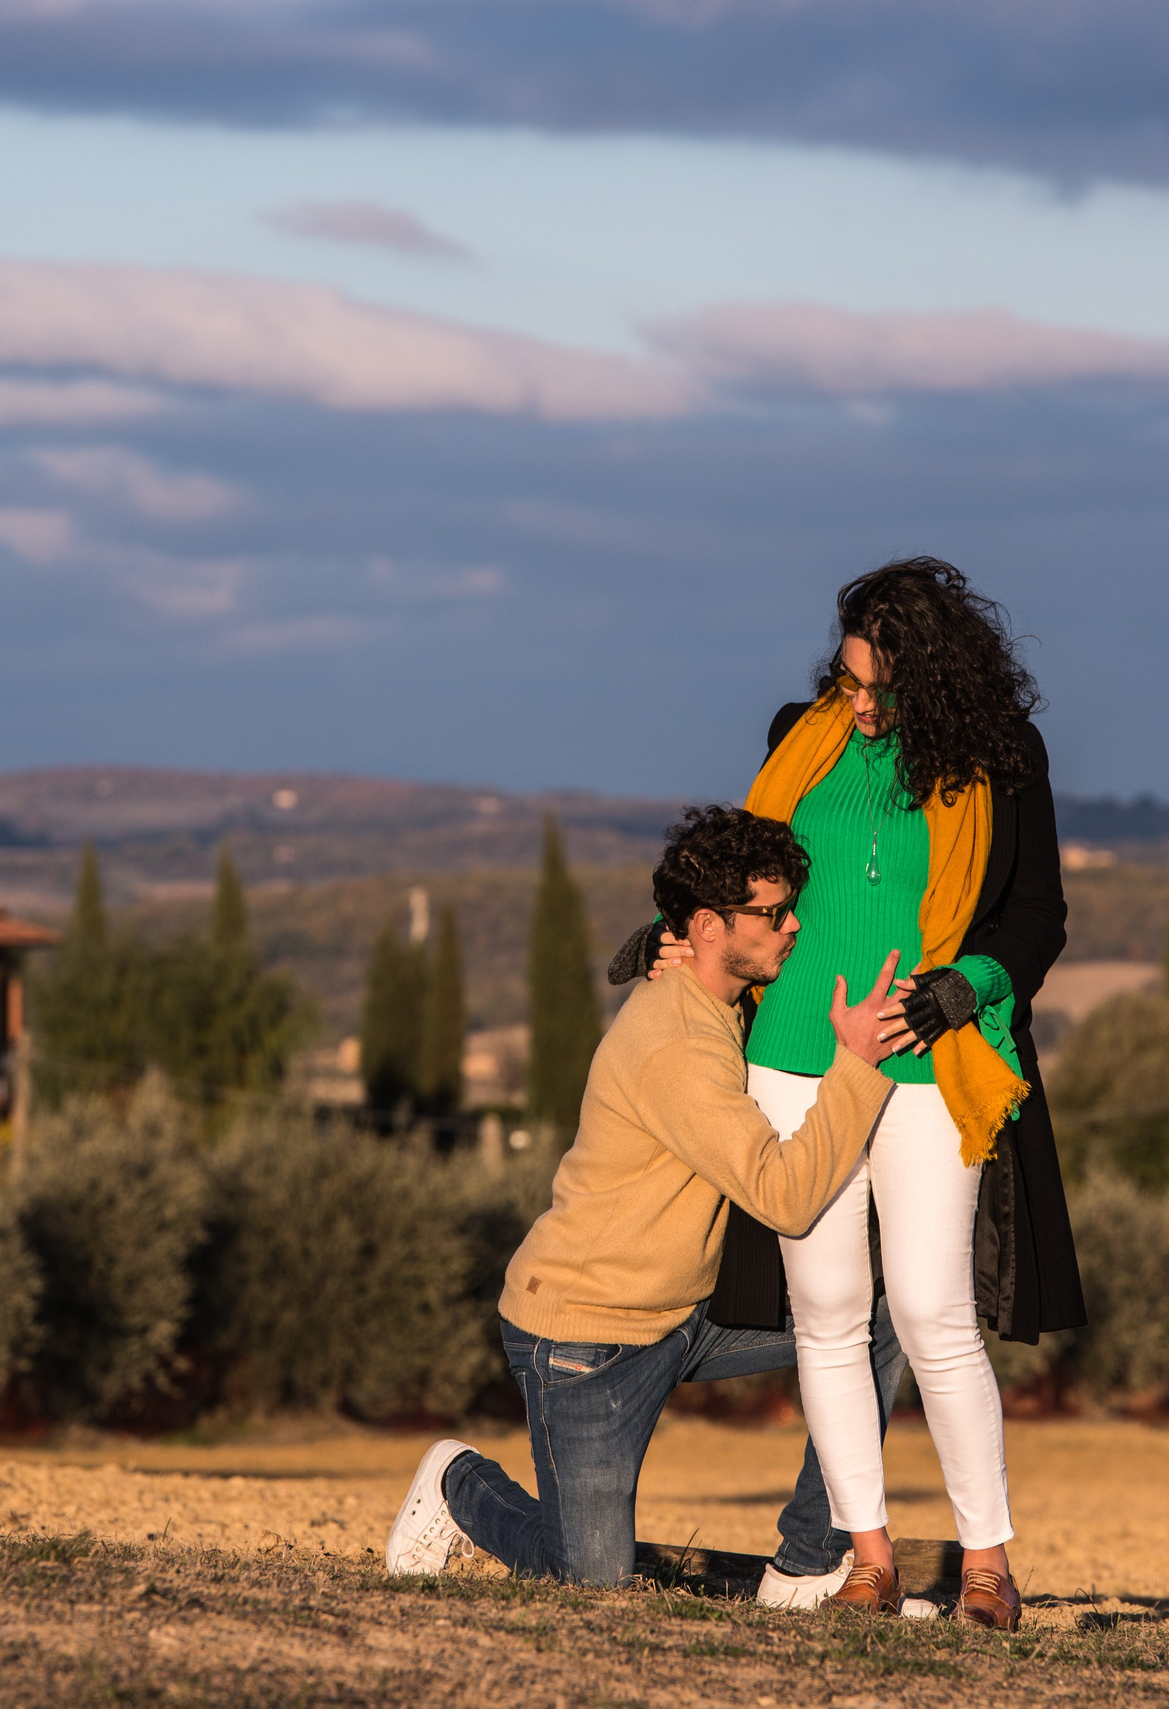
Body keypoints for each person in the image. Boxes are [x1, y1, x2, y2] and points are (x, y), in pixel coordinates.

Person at [618, 557, 1084, 1628]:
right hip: (791, 1056)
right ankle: (868, 1560)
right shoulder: (803, 733)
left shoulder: (1005, 757)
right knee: (826, 1314)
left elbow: (1038, 915)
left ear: (937, 675)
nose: (860, 702)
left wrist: (967, 985)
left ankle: (986, 1566)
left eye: (881, 685)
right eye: (849, 678)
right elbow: (740, 873)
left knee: (929, 1310)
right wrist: (677, 934)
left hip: (925, 1059)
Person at [385, 805, 913, 1597]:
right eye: (772, 914)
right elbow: (785, 1195)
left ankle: (810, 1559)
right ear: (707, 926)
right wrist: (858, 1067)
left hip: (686, 1313)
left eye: (789, 908)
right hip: (585, 1335)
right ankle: (459, 1483)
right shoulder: (678, 1043)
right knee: (591, 1580)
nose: (793, 925)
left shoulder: (722, 999)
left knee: (885, 1316)